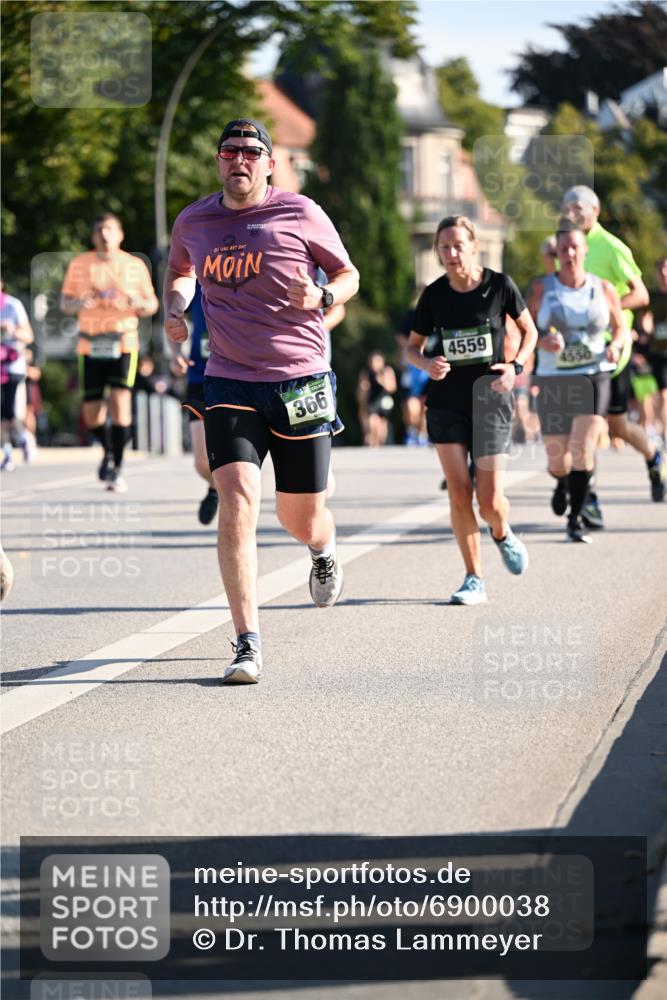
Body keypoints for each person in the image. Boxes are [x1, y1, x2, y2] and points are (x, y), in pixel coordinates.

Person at [163, 118, 359, 684]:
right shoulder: (195, 220)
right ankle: (247, 640)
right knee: (238, 499)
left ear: (270, 163)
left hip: (299, 380)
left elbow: (348, 275)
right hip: (228, 379)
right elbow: (180, 270)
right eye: (230, 151)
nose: (240, 160)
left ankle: (322, 545)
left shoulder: (300, 212)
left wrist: (321, 294)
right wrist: (175, 309)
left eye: (252, 152)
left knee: (299, 516)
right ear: (219, 160)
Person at [406, 215, 538, 605]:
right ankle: (473, 578)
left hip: (490, 399)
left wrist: (515, 368)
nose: (450, 254)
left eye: (457, 246)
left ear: (474, 246)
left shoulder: (500, 286)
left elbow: (530, 332)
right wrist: (426, 364)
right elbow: (412, 347)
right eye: (443, 247)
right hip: (446, 404)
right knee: (459, 494)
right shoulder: (433, 295)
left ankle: (501, 532)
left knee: (490, 501)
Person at [561, 186, 664, 510]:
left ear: (596, 210)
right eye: (567, 208)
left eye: (578, 207)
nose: (571, 213)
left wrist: (606, 311)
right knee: (585, 421)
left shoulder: (610, 246)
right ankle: (587, 495)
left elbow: (641, 294)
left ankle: (652, 455)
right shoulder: (566, 246)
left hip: (611, 349)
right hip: (577, 348)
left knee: (616, 426)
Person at [527, 220, 627, 542]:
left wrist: (615, 344)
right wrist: (541, 340)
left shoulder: (603, 288)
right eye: (563, 248)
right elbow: (524, 327)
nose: (569, 253)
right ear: (556, 253)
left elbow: (621, 326)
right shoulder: (542, 288)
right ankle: (561, 480)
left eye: (575, 247)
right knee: (559, 459)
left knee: (583, 449)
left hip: (593, 374)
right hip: (553, 378)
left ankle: (576, 520)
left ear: (585, 250)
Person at [60, 213, 159, 492]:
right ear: (93, 236)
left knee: (119, 403)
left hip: (123, 343)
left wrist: (133, 300)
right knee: (92, 411)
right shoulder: (80, 264)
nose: (105, 235)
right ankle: (107, 450)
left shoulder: (134, 265)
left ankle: (118, 467)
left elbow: (151, 304)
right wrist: (82, 301)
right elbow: (65, 304)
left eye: (110, 229)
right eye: (100, 230)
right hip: (89, 343)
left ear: (120, 234)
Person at [171, 283, 220, 525]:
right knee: (202, 461)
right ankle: (216, 488)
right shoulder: (196, 275)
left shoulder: (251, 265)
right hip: (200, 375)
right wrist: (175, 352)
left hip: (242, 375)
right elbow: (173, 316)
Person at [1, 280, 35, 471]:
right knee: (1, 415)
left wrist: (12, 330)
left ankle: (24, 438)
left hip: (12, 366)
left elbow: (29, 336)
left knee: (10, 412)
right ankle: (7, 454)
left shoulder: (12, 305)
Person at [356, 350, 397, 446]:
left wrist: (382, 381)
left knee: (382, 427)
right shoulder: (366, 373)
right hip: (371, 401)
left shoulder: (387, 371)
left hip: (384, 402)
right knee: (372, 422)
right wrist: (363, 388)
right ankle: (372, 444)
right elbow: (360, 393)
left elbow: (392, 388)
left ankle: (379, 445)